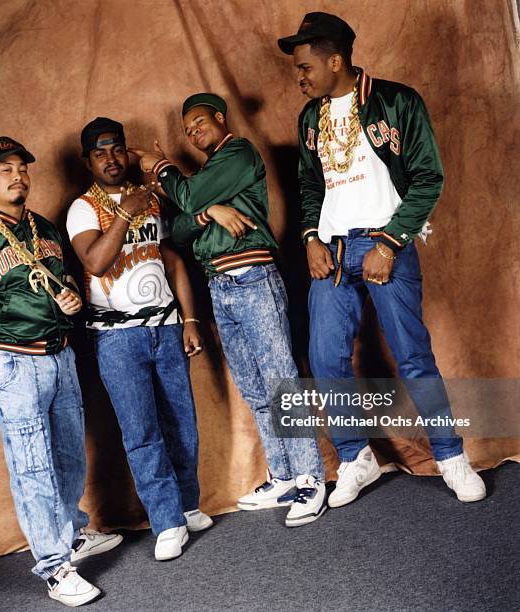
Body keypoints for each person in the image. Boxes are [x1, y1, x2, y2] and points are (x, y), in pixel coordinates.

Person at [277, 12, 486, 506]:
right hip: (330, 250)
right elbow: (309, 185)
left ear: (335, 60)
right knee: (326, 359)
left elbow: (428, 177)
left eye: (306, 66)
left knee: (413, 356)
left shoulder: (396, 101)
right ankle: (356, 458)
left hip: (383, 243)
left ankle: (451, 456)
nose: (299, 76)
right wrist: (310, 238)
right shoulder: (310, 118)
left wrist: (391, 243)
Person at [0, 137, 123, 608]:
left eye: (22, 168)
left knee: (67, 456)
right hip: (14, 362)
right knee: (32, 465)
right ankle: (54, 567)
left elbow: (58, 287)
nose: (17, 176)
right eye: (4, 170)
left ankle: (72, 535)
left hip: (59, 356)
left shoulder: (42, 229)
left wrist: (71, 304)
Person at [133, 95, 327, 527]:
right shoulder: (208, 173)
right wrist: (209, 213)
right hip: (220, 287)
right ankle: (283, 476)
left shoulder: (238, 153)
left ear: (219, 119)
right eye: (188, 129)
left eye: (200, 122)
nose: (194, 132)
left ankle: (311, 479)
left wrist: (162, 167)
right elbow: (180, 230)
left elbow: (184, 195)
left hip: (253, 278)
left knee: (280, 381)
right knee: (255, 390)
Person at [66, 117, 212, 561]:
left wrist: (190, 320)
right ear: (87, 160)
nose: (110, 159)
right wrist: (126, 210)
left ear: (126, 152)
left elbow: (174, 263)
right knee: (142, 431)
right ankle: (166, 522)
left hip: (166, 326)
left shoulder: (150, 199)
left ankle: (186, 505)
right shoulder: (83, 209)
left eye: (116, 149)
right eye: (99, 152)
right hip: (117, 335)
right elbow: (95, 260)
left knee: (181, 422)